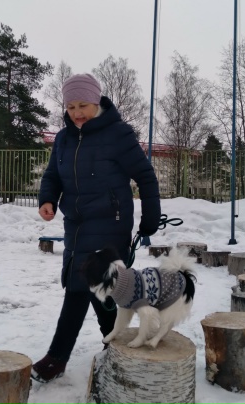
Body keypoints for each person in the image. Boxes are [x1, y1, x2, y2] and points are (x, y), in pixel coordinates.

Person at [32, 73, 161, 383]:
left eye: (83, 105)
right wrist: (47, 199)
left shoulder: (118, 134)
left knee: (80, 285)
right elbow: (53, 176)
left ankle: (57, 356)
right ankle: (113, 340)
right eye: (71, 106)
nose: (77, 113)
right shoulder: (64, 139)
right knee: (96, 287)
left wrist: (151, 217)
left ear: (96, 102)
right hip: (76, 225)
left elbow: (145, 176)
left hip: (110, 223)